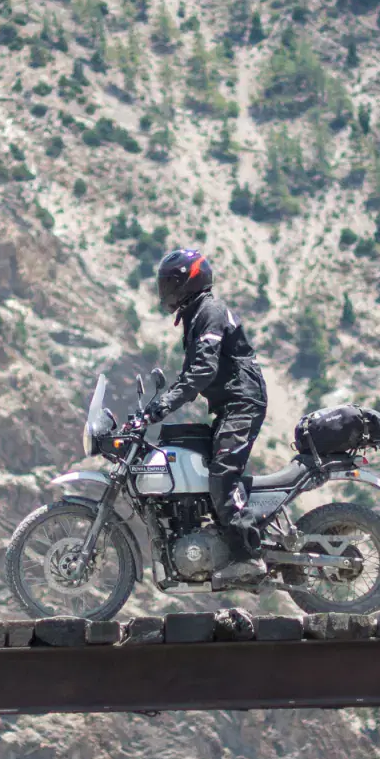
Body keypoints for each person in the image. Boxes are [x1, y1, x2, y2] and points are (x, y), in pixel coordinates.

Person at [127, 246, 270, 583]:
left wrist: (163, 405)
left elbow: (202, 370)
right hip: (230, 404)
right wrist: (157, 406)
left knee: (221, 475)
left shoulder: (210, 311)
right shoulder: (197, 314)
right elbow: (196, 373)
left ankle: (250, 557)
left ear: (187, 281)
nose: (166, 291)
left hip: (242, 403)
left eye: (170, 283)